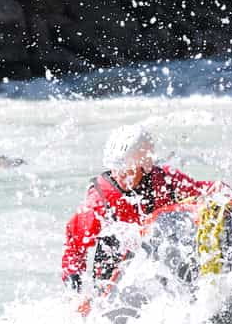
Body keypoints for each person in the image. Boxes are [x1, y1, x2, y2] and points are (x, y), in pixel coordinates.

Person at [61, 126, 223, 293]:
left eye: (127, 170)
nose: (119, 175)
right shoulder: (98, 201)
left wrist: (221, 192)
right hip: (115, 282)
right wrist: (77, 293)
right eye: (116, 169)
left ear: (145, 167)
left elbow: (201, 190)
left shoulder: (166, 181)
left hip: (163, 267)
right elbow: (74, 247)